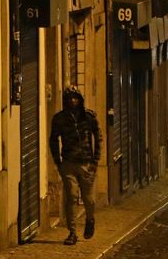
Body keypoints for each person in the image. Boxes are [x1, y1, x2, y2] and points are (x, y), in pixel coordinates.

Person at [49, 86, 102, 245]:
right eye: (70, 98)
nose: (73, 101)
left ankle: (90, 219)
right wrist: (58, 161)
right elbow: (53, 139)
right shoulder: (59, 119)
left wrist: (95, 161)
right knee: (71, 196)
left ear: (80, 99)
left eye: (75, 97)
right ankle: (72, 232)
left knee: (88, 199)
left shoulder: (88, 117)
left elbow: (98, 137)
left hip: (86, 163)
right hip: (68, 163)